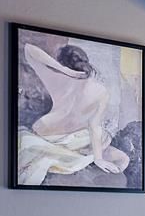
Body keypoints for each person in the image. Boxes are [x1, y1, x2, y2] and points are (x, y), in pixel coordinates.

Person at [17, 42, 130, 185]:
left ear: (62, 62)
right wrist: (98, 158)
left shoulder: (54, 77)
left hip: (45, 132)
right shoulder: (101, 91)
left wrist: (63, 70)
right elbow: (95, 127)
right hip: (75, 140)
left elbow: (29, 49)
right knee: (119, 156)